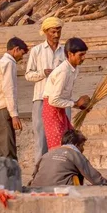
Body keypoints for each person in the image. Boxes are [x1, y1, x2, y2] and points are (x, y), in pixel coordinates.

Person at [25, 17, 68, 160]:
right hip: (41, 98)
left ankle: (60, 168)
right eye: (53, 32)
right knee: (41, 136)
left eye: (58, 31)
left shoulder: (65, 51)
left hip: (61, 98)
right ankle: (39, 170)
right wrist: (43, 73)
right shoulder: (37, 51)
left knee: (63, 135)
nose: (56, 35)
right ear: (45, 32)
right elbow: (28, 75)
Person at [42, 37, 91, 149]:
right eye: (81, 55)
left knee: (71, 141)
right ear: (70, 54)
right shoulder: (63, 71)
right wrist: (75, 104)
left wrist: (80, 106)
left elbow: (63, 95)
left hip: (60, 110)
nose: (84, 58)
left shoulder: (74, 69)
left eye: (84, 54)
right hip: (52, 111)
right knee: (58, 146)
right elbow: (53, 100)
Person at [0, 37, 29, 161]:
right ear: (16, 49)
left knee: (3, 153)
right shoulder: (9, 63)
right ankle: (9, 180)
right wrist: (14, 115)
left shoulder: (1, 62)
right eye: (22, 54)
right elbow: (8, 90)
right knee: (8, 155)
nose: (21, 58)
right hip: (2, 109)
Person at [29, 129, 107, 186]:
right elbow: (94, 177)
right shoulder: (76, 155)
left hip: (36, 189)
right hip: (60, 191)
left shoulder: (48, 154)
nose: (83, 149)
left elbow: (35, 174)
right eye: (82, 145)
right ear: (76, 145)